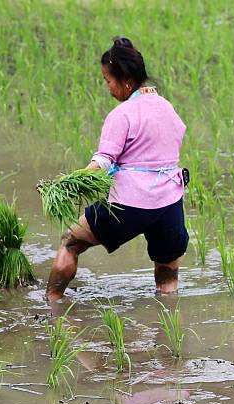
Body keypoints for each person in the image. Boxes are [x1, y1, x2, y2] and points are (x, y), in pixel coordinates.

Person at [46, 37, 189, 301]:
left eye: (108, 81)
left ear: (126, 81)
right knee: (167, 272)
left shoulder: (122, 114)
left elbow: (103, 162)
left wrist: (67, 184)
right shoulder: (168, 108)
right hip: (169, 204)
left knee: (71, 242)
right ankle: (169, 331)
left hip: (130, 204)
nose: (108, 88)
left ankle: (51, 305)